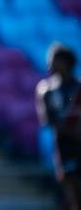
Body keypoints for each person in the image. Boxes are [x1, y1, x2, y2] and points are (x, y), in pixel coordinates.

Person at [37, 43, 81, 210]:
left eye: (53, 59)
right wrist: (74, 133)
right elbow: (48, 120)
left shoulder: (79, 88)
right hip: (65, 147)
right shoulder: (46, 90)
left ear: (65, 62)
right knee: (73, 191)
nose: (49, 63)